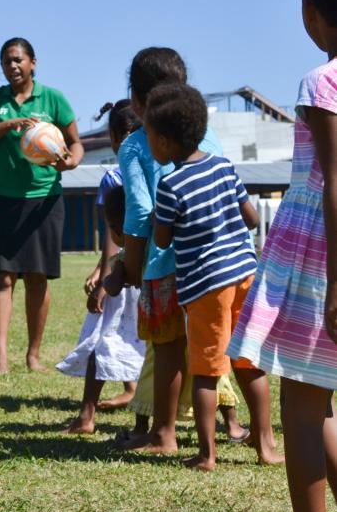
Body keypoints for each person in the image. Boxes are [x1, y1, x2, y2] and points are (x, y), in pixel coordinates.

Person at [112, 47, 267, 456]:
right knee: (233, 353)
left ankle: (164, 434)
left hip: (168, 265)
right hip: (230, 266)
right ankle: (262, 437)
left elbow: (141, 213)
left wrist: (128, 266)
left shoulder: (134, 144)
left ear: (137, 100)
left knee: (169, 348)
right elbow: (241, 208)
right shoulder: (207, 134)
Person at [234, 0, 337, 512]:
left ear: (311, 11)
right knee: (318, 403)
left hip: (322, 255)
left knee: (303, 406)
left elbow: (332, 181)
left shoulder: (322, 82)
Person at [148, 82, 281, 471]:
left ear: (166, 142)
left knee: (206, 369)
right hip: (244, 275)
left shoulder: (169, 185)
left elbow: (161, 238)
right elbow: (252, 218)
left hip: (205, 286)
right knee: (247, 362)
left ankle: (207, 455)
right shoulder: (223, 166)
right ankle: (266, 445)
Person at [0, 37, 85, 374]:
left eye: (18, 59)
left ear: (33, 62)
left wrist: (70, 162)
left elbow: (75, 144)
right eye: (6, 61)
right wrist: (6, 126)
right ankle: (1, 358)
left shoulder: (53, 99)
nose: (13, 66)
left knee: (37, 278)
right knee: (2, 277)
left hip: (44, 198)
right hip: (0, 198)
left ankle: (34, 356)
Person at [57, 106, 144, 435]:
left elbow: (115, 232)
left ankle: (87, 415)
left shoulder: (116, 177)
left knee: (101, 337)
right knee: (150, 345)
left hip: (124, 273)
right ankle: (144, 419)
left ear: (114, 138)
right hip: (151, 271)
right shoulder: (158, 169)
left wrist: (106, 276)